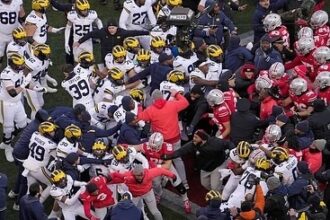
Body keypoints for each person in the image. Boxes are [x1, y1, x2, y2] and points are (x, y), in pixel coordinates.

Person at [137, 89, 189, 188]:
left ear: (153, 100)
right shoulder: (172, 104)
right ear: (162, 97)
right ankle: (184, 182)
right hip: (175, 138)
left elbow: (140, 117)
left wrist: (139, 106)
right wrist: (176, 94)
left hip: (162, 142)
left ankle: (163, 181)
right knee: (178, 159)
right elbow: (185, 102)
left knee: (162, 161)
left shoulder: (150, 110)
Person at [163, 129, 234, 191]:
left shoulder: (215, 142)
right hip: (205, 167)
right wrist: (166, 156)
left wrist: (232, 156)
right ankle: (220, 190)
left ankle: (218, 198)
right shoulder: (193, 144)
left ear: (203, 139)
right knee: (205, 184)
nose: (193, 138)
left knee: (215, 187)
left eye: (196, 137)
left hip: (218, 165)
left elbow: (229, 144)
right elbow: (181, 151)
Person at [109, 164, 176, 220]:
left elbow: (161, 170)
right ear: (134, 174)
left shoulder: (148, 173)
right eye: (138, 175)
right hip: (135, 196)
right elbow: (117, 179)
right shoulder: (128, 177)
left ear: (143, 173)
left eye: (141, 175)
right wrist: (107, 179)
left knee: (155, 211)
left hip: (148, 193)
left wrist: (172, 175)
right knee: (130, 212)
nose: (140, 177)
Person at [0, 53, 29, 162]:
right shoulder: (6, 74)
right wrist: (23, 85)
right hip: (6, 103)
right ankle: (7, 147)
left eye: (22, 64)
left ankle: (7, 140)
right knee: (8, 128)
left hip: (17, 103)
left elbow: (23, 80)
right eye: (19, 65)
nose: (21, 67)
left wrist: (36, 88)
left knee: (22, 124)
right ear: (12, 65)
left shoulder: (19, 70)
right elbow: (12, 92)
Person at [75, 19, 149, 62]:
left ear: (116, 27)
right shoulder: (102, 32)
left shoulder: (122, 32)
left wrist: (147, 32)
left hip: (119, 53)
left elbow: (134, 32)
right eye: (109, 28)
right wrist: (79, 41)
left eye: (113, 28)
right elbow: (90, 34)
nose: (111, 30)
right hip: (106, 54)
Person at [0, 0, 25, 68]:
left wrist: (24, 26)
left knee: (15, 57)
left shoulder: (17, 2)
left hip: (15, 34)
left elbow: (22, 15)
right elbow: (22, 15)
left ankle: (14, 74)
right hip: (1, 34)